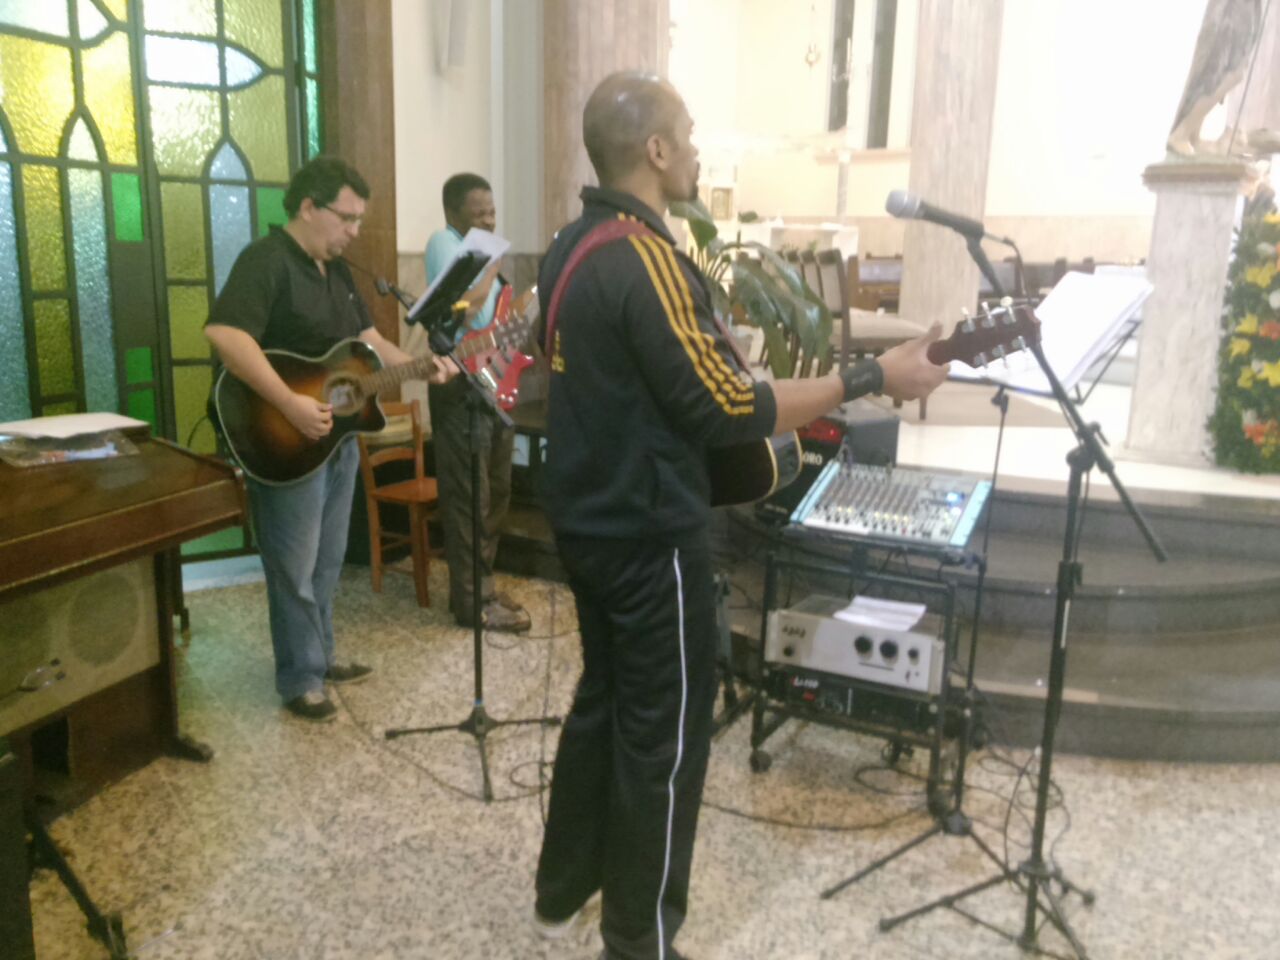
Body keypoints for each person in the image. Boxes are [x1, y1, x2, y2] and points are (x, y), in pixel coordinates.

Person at [531, 72, 948, 960]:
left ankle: (563, 888)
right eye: (686, 134)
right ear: (654, 150)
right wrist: (871, 376)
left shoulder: (570, 245)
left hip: (587, 522)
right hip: (650, 540)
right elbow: (728, 406)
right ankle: (638, 941)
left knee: (605, 702)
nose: (696, 149)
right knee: (666, 737)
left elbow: (605, 374)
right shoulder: (646, 258)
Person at [205, 156, 454, 723]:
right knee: (293, 566)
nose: (354, 231)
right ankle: (301, 678)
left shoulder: (336, 273)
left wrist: (421, 366)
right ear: (308, 207)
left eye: (359, 220)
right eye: (347, 218)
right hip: (283, 439)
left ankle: (320, 656)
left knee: (327, 559)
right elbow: (226, 334)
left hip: (336, 438)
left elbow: (369, 340)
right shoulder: (266, 260)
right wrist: (289, 403)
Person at [412, 173, 530, 633]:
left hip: (490, 386)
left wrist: (527, 315)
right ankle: (472, 603)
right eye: (479, 213)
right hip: (458, 386)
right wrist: (492, 262)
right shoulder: (445, 243)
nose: (489, 220)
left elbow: (498, 325)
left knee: (496, 492)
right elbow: (471, 312)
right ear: (453, 213)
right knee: (468, 500)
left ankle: (481, 588)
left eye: (492, 212)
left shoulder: (483, 256)